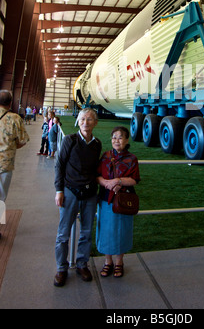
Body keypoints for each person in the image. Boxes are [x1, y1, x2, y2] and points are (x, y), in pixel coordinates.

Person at [54, 108, 102, 287]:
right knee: (63, 233)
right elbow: (59, 166)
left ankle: (82, 264)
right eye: (82, 119)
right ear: (78, 121)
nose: (86, 122)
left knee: (87, 232)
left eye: (90, 119)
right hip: (70, 192)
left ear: (95, 123)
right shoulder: (70, 140)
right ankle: (61, 267)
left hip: (89, 194)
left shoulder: (97, 144)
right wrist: (59, 190)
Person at [96, 126, 140, 278]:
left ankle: (119, 262)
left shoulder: (132, 159)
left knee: (122, 230)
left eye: (120, 137)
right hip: (105, 198)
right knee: (106, 230)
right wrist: (107, 183)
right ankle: (108, 262)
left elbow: (134, 180)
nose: (116, 140)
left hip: (122, 200)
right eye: (114, 137)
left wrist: (118, 181)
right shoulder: (106, 156)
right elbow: (97, 176)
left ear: (127, 140)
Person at [0, 90, 30, 239]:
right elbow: (23, 140)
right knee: (0, 196)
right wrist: (11, 146)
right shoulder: (15, 118)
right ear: (11, 102)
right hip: (5, 163)